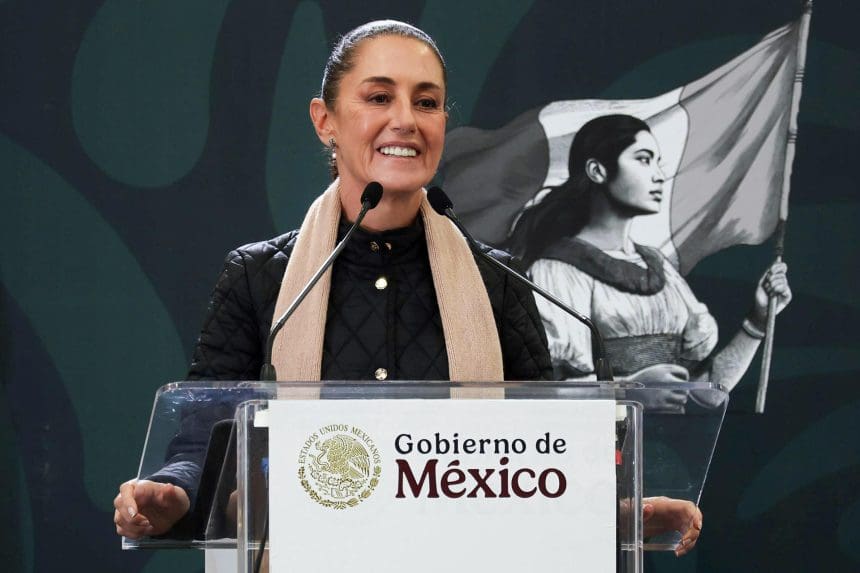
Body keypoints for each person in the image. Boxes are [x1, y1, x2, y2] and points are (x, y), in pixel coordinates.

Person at [113, 22, 702, 557]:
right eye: (377, 97)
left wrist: (621, 514)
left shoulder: (500, 281)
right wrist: (170, 494)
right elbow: (200, 446)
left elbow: (541, 462)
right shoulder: (260, 276)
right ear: (325, 121)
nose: (407, 120)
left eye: (427, 102)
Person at [507, 114, 792, 391]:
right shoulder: (557, 271)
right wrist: (635, 389)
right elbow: (547, 392)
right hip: (603, 439)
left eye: (658, 162)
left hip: (667, 439)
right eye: (643, 159)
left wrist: (757, 320)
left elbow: (705, 391)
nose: (659, 175)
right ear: (597, 171)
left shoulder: (661, 268)